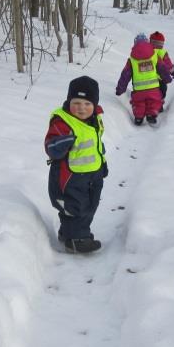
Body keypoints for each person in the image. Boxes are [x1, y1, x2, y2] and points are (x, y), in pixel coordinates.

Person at [44, 76, 107, 254]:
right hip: (70, 177)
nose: (81, 108)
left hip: (93, 174)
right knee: (74, 208)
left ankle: (69, 234)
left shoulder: (95, 120)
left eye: (87, 104)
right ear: (69, 101)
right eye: (77, 102)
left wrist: (103, 164)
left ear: (94, 105)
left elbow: (97, 145)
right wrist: (62, 142)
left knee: (90, 206)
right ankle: (77, 240)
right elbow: (50, 146)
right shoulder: (62, 122)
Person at [115, 33, 172, 125]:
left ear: (134, 44)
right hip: (153, 88)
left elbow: (125, 75)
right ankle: (151, 114)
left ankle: (138, 117)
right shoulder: (154, 56)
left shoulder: (132, 60)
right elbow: (162, 68)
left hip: (139, 90)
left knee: (138, 103)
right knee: (154, 101)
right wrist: (167, 78)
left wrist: (120, 89)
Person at [149, 31, 174, 110]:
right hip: (160, 78)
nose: (158, 45)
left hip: (147, 77)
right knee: (162, 90)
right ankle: (159, 104)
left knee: (150, 91)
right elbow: (169, 64)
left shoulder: (147, 51)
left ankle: (152, 104)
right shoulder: (162, 52)